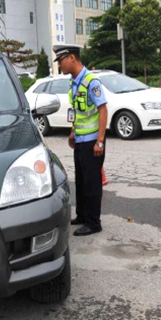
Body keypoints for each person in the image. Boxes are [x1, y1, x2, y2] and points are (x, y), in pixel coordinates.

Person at [52, 44, 108, 236]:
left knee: (92, 183)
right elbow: (77, 110)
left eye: (61, 61)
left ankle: (94, 223)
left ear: (72, 58)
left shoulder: (91, 81)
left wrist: (100, 140)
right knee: (82, 181)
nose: (60, 65)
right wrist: (72, 130)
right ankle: (83, 215)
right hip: (80, 140)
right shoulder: (73, 82)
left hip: (93, 141)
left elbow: (103, 110)